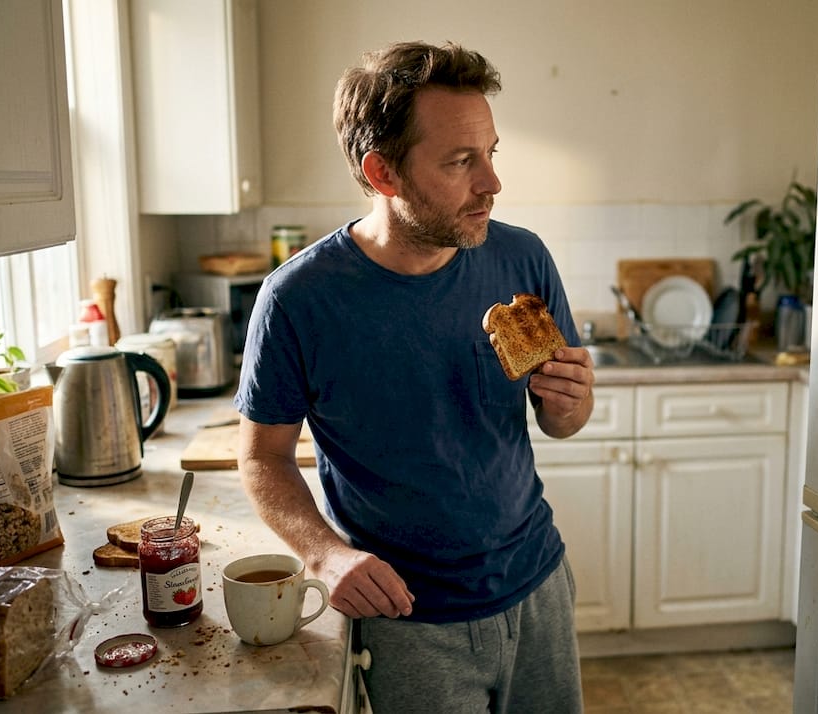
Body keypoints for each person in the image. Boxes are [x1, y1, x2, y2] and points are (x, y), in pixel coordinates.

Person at [234, 41, 595, 713]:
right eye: (461, 161)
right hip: (406, 617)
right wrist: (325, 557)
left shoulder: (521, 258)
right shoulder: (298, 300)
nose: (491, 182)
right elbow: (262, 458)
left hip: (538, 584)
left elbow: (559, 421)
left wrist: (572, 402)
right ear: (383, 173)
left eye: (491, 153)